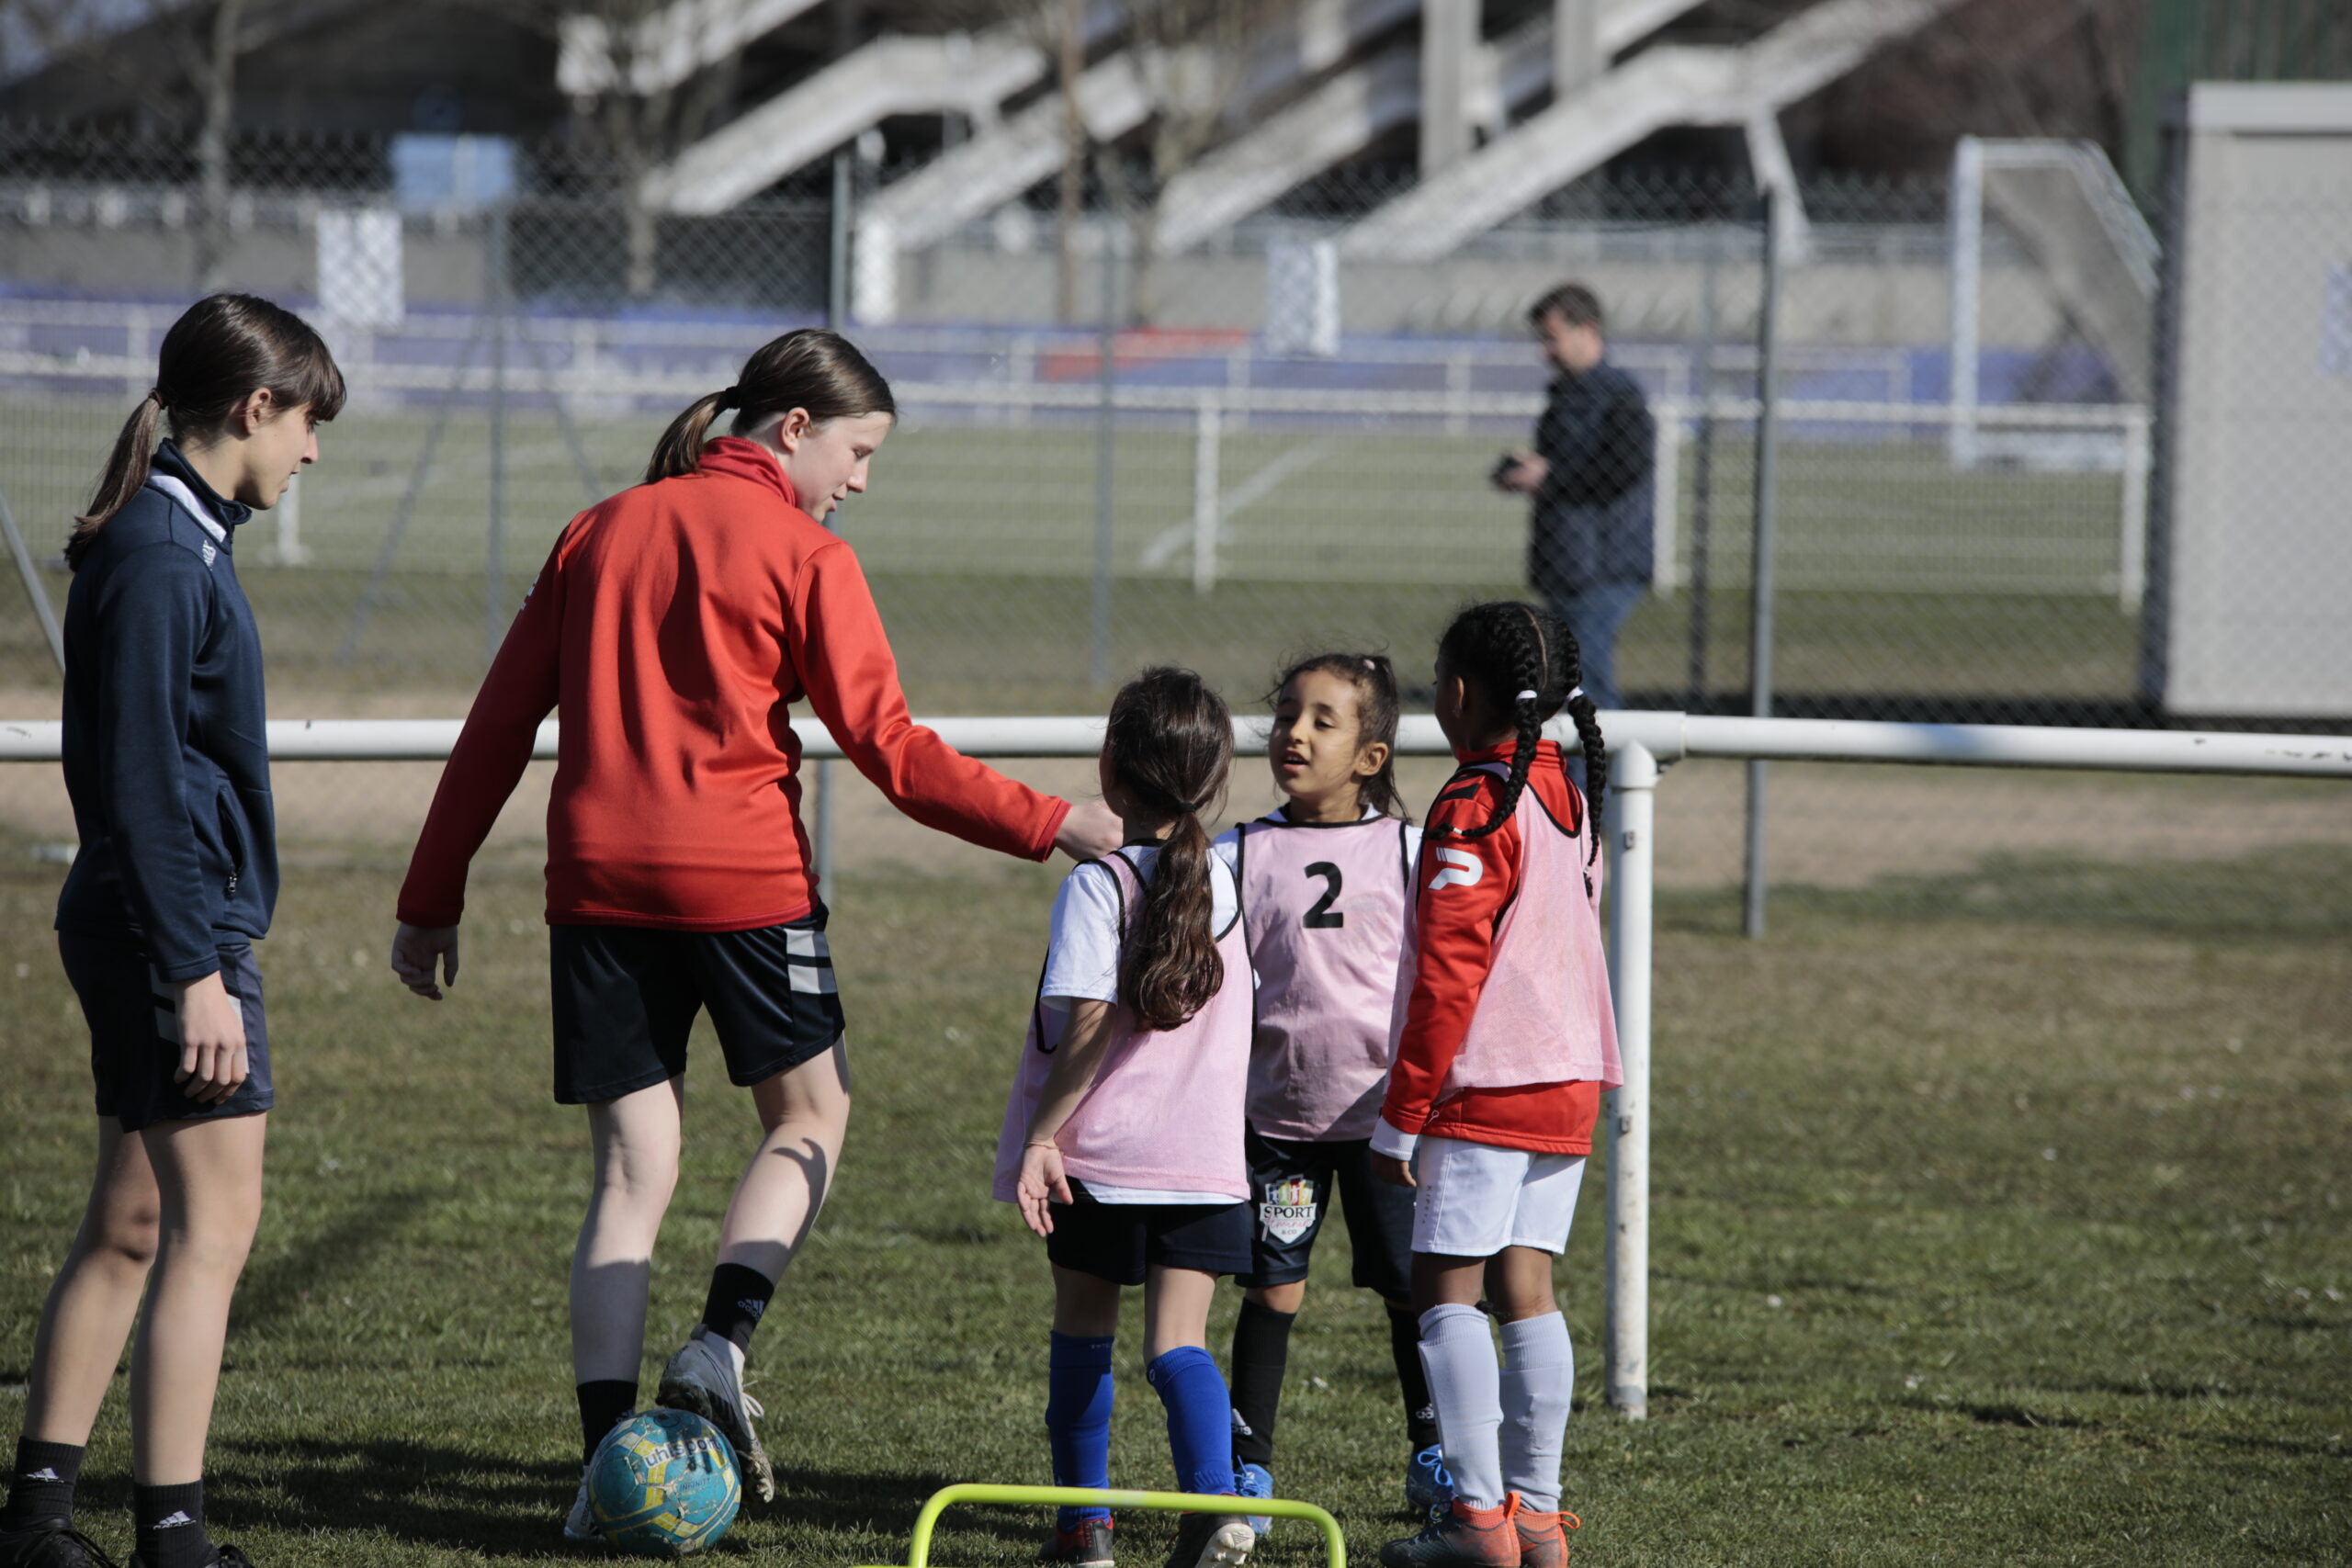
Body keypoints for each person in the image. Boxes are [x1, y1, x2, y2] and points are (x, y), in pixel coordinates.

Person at [385, 329, 1122, 1543]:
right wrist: (1054, 820)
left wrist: (431, 893)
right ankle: (722, 1338)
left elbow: (498, 725)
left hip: (597, 888)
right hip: (745, 885)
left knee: (630, 1172)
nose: (862, 479)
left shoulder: (596, 529)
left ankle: (601, 1468)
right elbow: (893, 751)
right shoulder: (805, 551)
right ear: (792, 427)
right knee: (810, 1115)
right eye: (860, 449)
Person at [0, 294, 343, 1568]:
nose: (312, 453)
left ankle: (37, 1520)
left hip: (160, 918)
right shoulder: (159, 551)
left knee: (134, 1221)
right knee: (214, 1228)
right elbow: (141, 780)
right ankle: (176, 1538)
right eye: (308, 424)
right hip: (169, 927)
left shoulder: (185, 535)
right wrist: (196, 967)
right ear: (255, 408)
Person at [1370, 603, 1623, 1568]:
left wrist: (1402, 1116)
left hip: (1487, 1086)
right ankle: (1539, 1521)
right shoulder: (1571, 793)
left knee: (1444, 1288)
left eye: (1436, 681)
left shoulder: (1477, 802)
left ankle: (1479, 1525)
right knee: (1528, 1287)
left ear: (1462, 694)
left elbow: (1447, 977)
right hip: (1566, 1083)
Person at [995, 668, 1257, 1568]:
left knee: (1082, 1336)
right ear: (1211, 780)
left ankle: (1084, 1532)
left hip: (1099, 1163)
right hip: (1207, 1165)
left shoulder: (1100, 886)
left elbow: (1091, 1024)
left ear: (1111, 767)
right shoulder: (1220, 884)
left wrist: (1041, 1139)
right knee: (1179, 1346)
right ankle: (1214, 1506)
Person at [1208, 655, 1449, 1520]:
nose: (1294, 734)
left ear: (1372, 757)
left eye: (1322, 720)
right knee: (1273, 1291)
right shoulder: (1238, 852)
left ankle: (1436, 1456)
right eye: (1285, 717)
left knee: (1412, 1291)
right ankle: (1248, 1469)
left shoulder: (1412, 850)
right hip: (1278, 1121)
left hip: (1390, 1126)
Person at [1493, 284, 1655, 714]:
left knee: (1587, 689)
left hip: (1604, 565)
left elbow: (1623, 470)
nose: (1545, 351)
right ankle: (1585, 780)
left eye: (1552, 337)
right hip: (1567, 562)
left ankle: (1596, 781)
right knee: (1571, 684)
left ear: (1587, 330)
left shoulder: (1620, 396)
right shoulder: (1565, 395)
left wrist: (1551, 477)